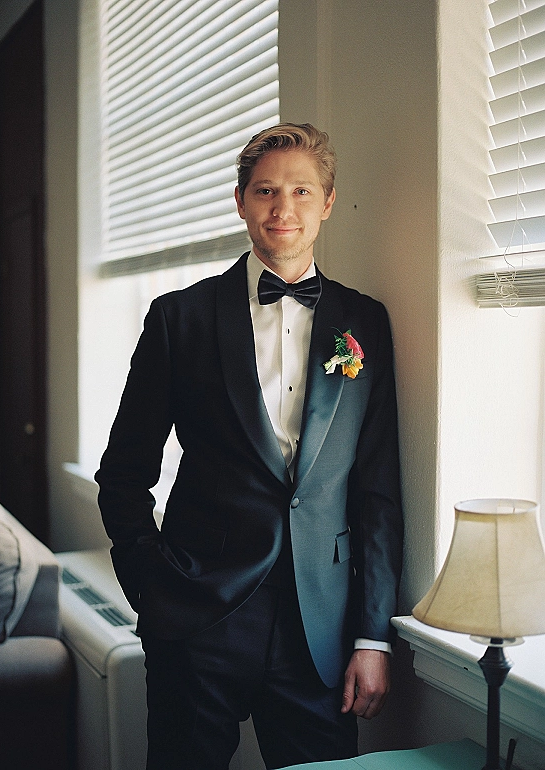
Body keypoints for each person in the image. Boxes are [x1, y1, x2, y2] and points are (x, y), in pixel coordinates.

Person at [95, 122, 403, 770]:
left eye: (299, 191)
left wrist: (373, 634)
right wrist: (151, 587)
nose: (282, 209)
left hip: (319, 629)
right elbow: (123, 473)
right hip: (198, 619)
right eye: (265, 191)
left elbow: (376, 493)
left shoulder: (365, 322)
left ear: (326, 202)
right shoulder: (179, 319)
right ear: (240, 202)